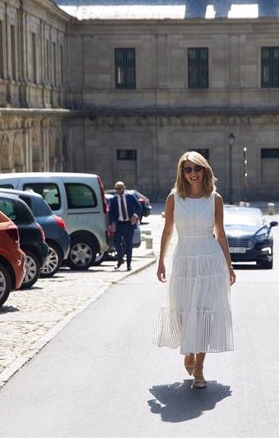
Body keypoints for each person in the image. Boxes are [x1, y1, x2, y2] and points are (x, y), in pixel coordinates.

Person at [153, 151, 236, 389]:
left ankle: (199, 367)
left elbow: (220, 234)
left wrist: (229, 266)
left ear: (205, 170)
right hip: (184, 259)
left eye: (196, 169)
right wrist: (161, 260)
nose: (192, 174)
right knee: (182, 312)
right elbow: (168, 231)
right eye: (187, 170)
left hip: (210, 260)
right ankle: (188, 350)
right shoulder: (173, 199)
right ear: (182, 173)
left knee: (205, 313)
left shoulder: (215, 199)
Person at [108, 181, 142, 271]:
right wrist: (112, 223)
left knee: (128, 245)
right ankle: (120, 260)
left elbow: (138, 207)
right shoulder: (113, 199)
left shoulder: (130, 197)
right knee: (116, 243)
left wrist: (135, 215)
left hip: (128, 224)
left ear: (124, 188)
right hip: (119, 224)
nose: (118, 190)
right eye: (116, 189)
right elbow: (110, 213)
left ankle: (129, 265)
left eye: (120, 188)